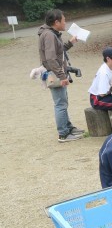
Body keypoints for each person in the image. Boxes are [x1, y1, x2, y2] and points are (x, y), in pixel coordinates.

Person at [38, 9, 84, 143]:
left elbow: (59, 51)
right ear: (56, 22)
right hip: (55, 74)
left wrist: (70, 43)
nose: (65, 23)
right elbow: (51, 58)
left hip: (56, 72)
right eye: (64, 20)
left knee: (63, 102)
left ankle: (68, 127)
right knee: (60, 104)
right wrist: (62, 76)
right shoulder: (49, 35)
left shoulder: (51, 34)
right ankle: (63, 134)